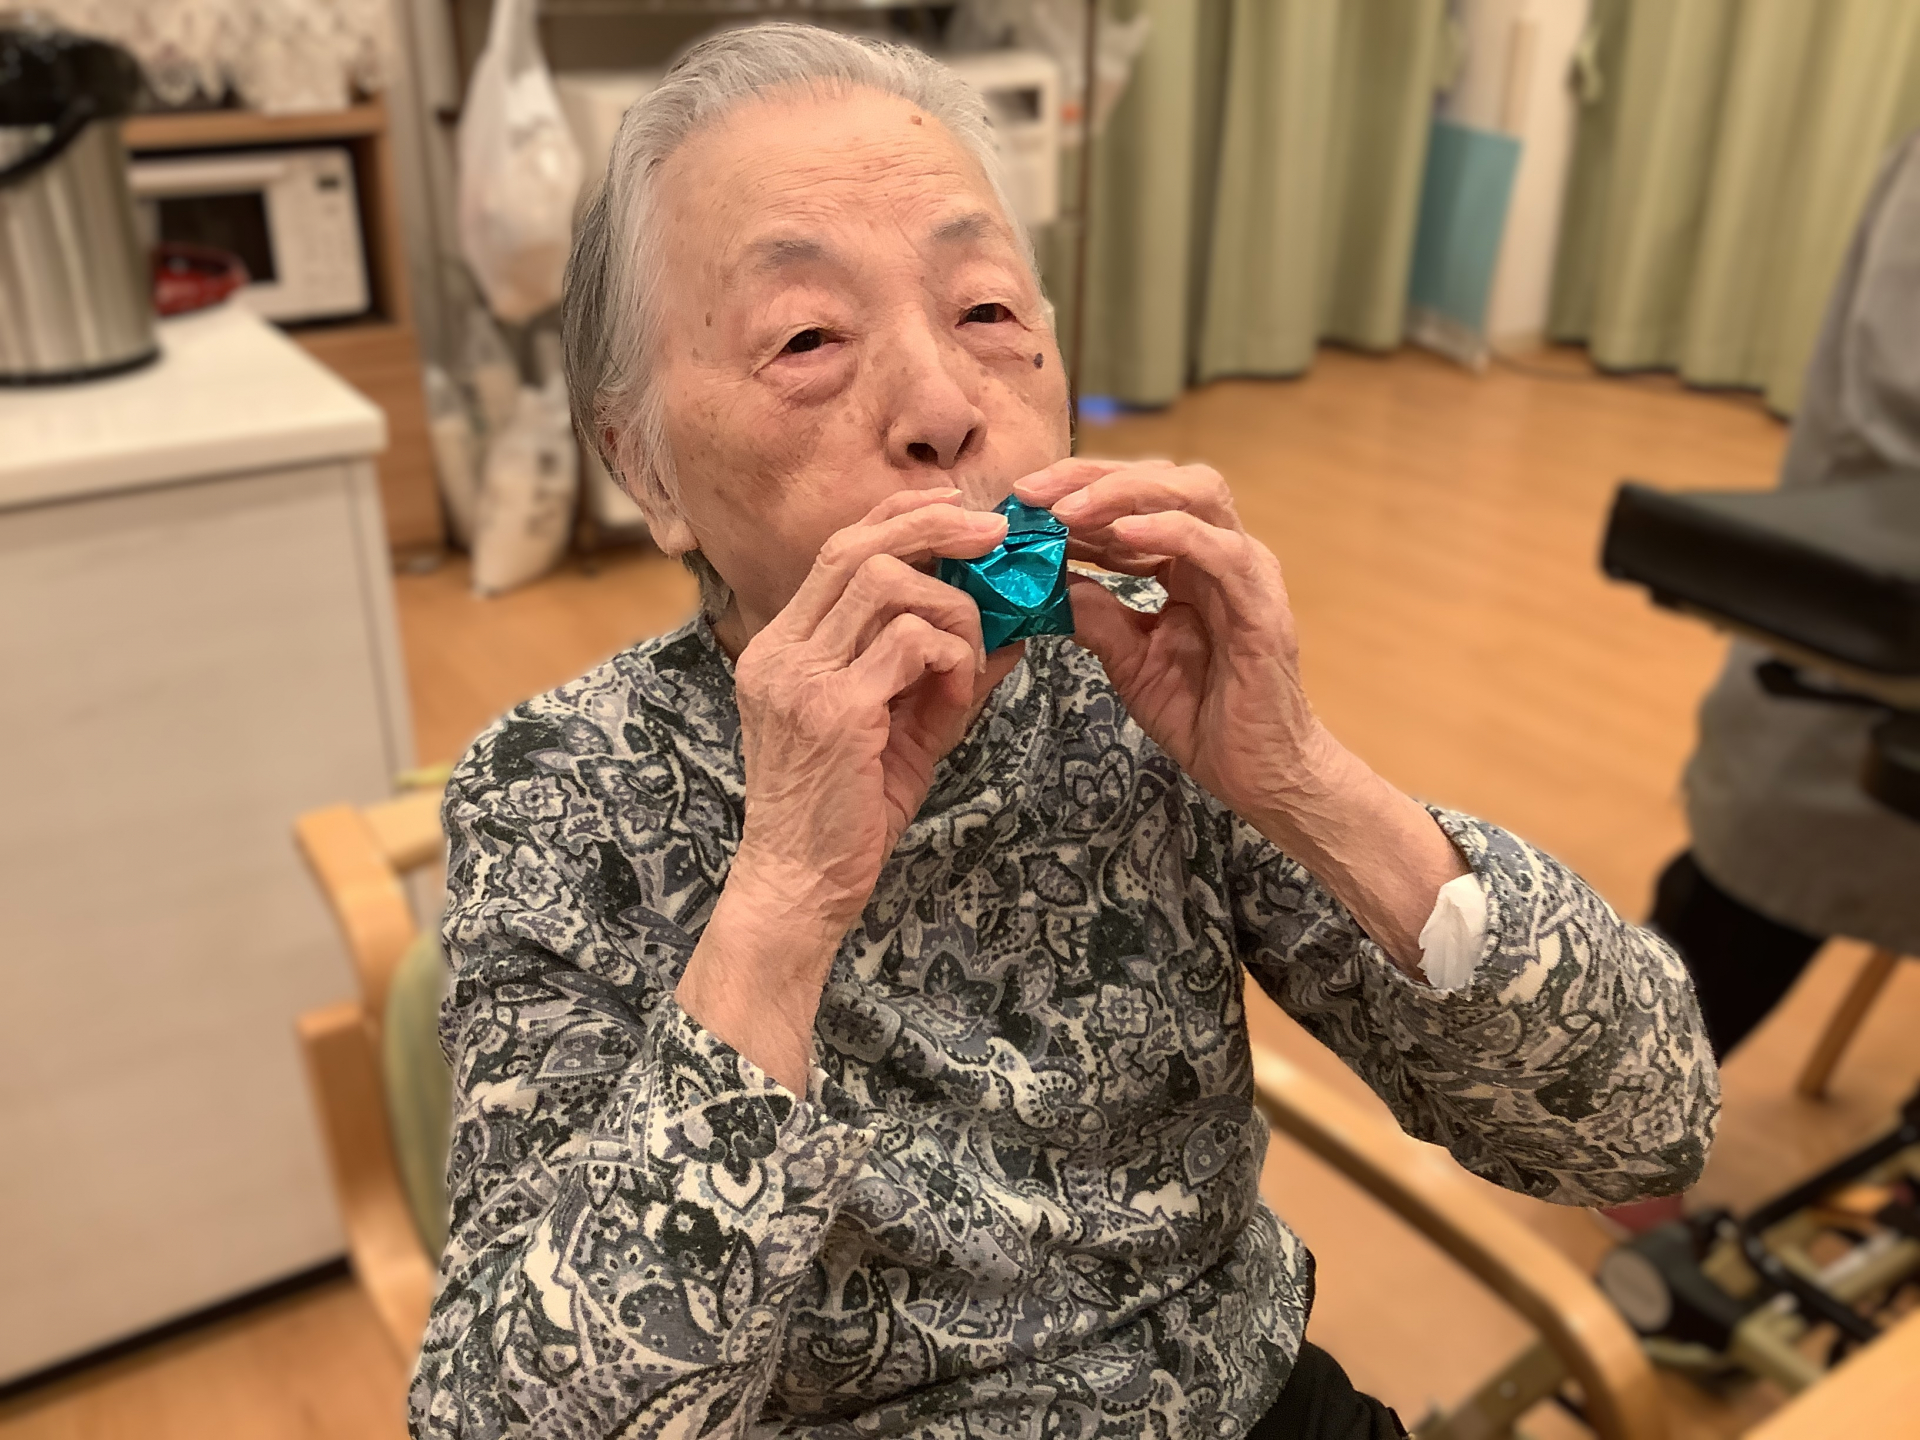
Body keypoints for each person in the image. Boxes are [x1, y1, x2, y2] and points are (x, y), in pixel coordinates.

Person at [409, 24, 1718, 1440]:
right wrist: (782, 895)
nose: (942, 409)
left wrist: (1302, 780)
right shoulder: (561, 790)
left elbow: (1642, 1127)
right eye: (807, 338)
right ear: (644, 467)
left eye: (985, 313)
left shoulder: (1125, 681)